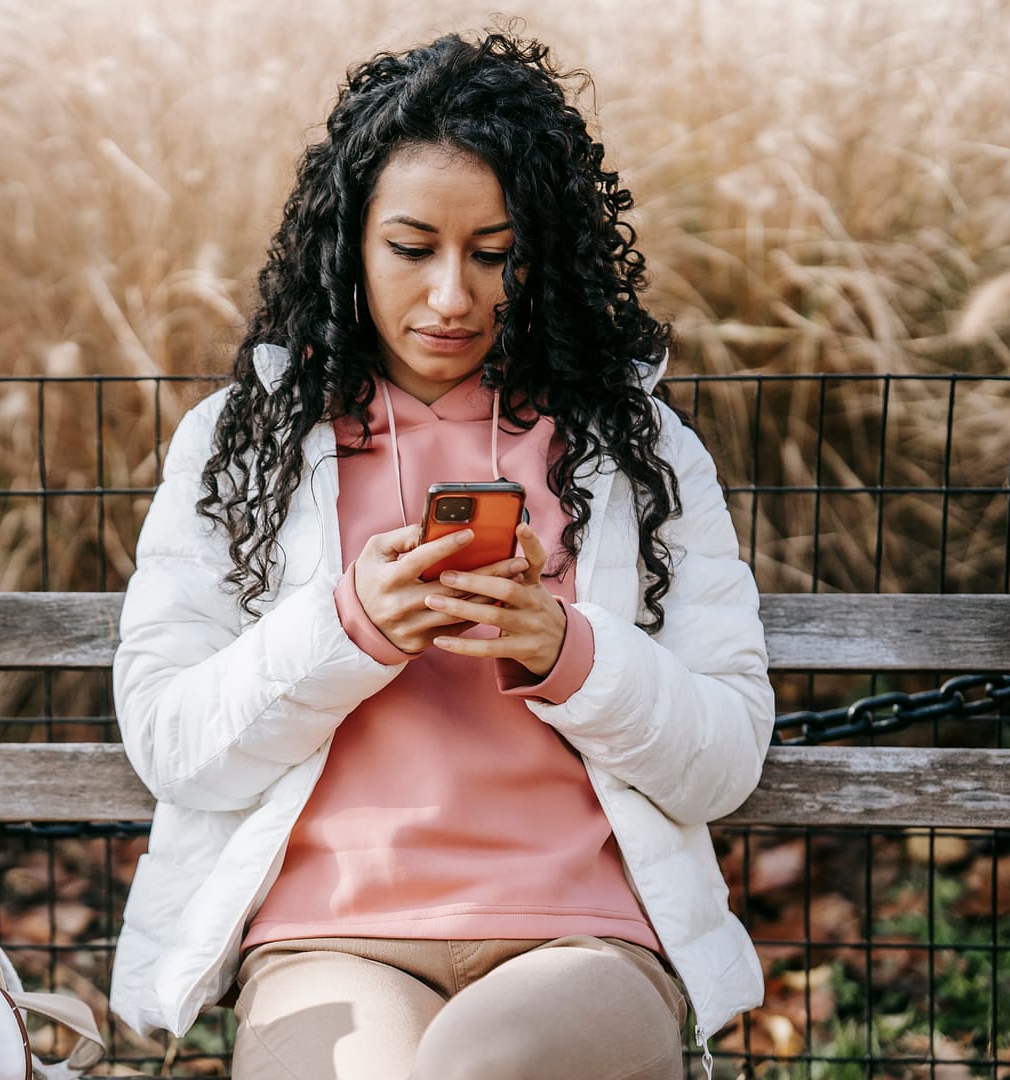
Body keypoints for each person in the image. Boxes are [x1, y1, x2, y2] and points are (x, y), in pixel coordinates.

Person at [109, 30, 772, 1080]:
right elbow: (171, 741)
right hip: (328, 939)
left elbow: (727, 754)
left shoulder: (634, 448)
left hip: (582, 938)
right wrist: (349, 627)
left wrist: (570, 652)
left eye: (495, 253)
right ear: (350, 247)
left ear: (541, 252)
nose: (454, 296)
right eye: (413, 250)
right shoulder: (242, 445)